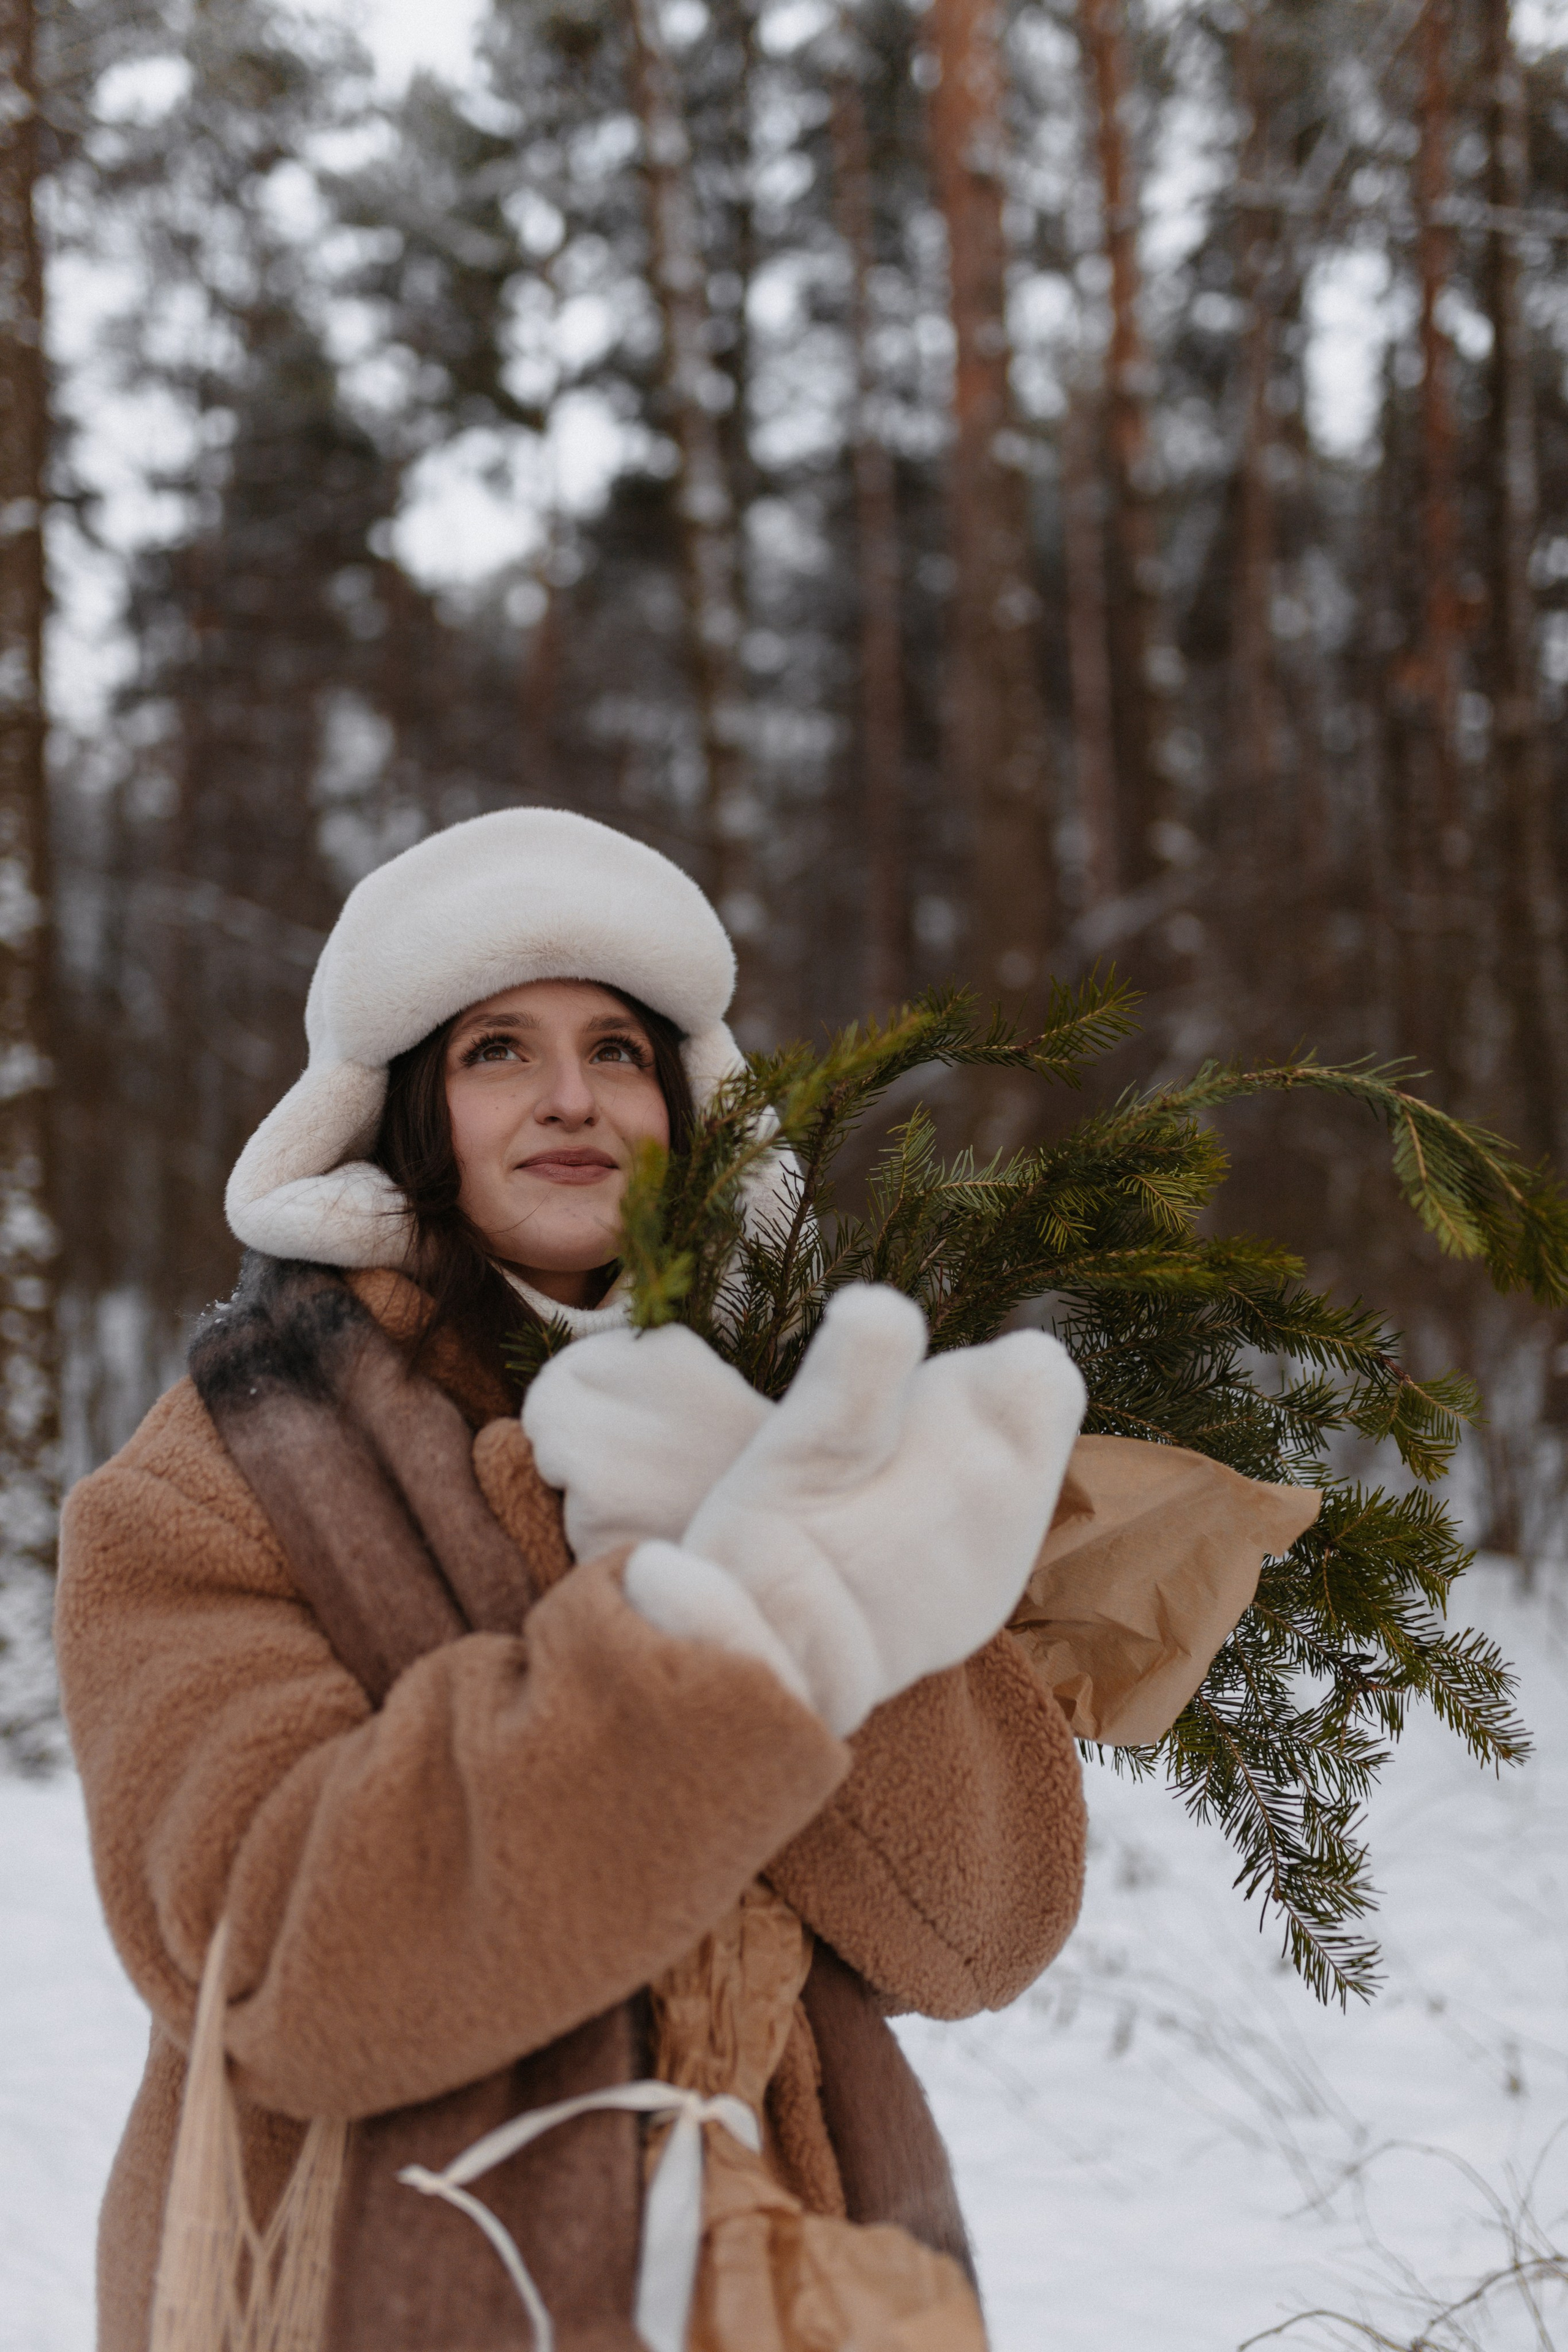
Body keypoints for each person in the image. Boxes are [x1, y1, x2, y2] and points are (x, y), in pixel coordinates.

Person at [56, 808, 1318, 2352]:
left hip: (776, 2280)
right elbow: (283, 1963)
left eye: (617, 1050)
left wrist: (797, 1544)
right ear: (401, 1114)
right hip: (366, 2292)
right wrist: (726, 1634)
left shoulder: (800, 1419)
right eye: (496, 1052)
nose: (571, 1098)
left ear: (687, 1102)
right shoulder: (217, 1478)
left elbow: (980, 1929)